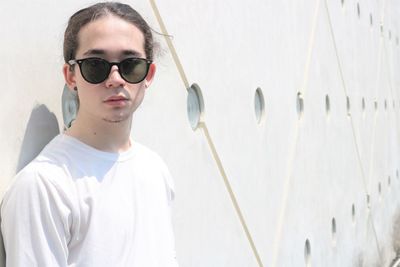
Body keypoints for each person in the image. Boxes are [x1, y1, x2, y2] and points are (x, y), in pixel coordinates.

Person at [1, 2, 178, 266]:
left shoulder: (155, 168)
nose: (116, 79)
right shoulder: (44, 186)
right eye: (96, 65)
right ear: (71, 76)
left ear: (148, 75)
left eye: (131, 65)